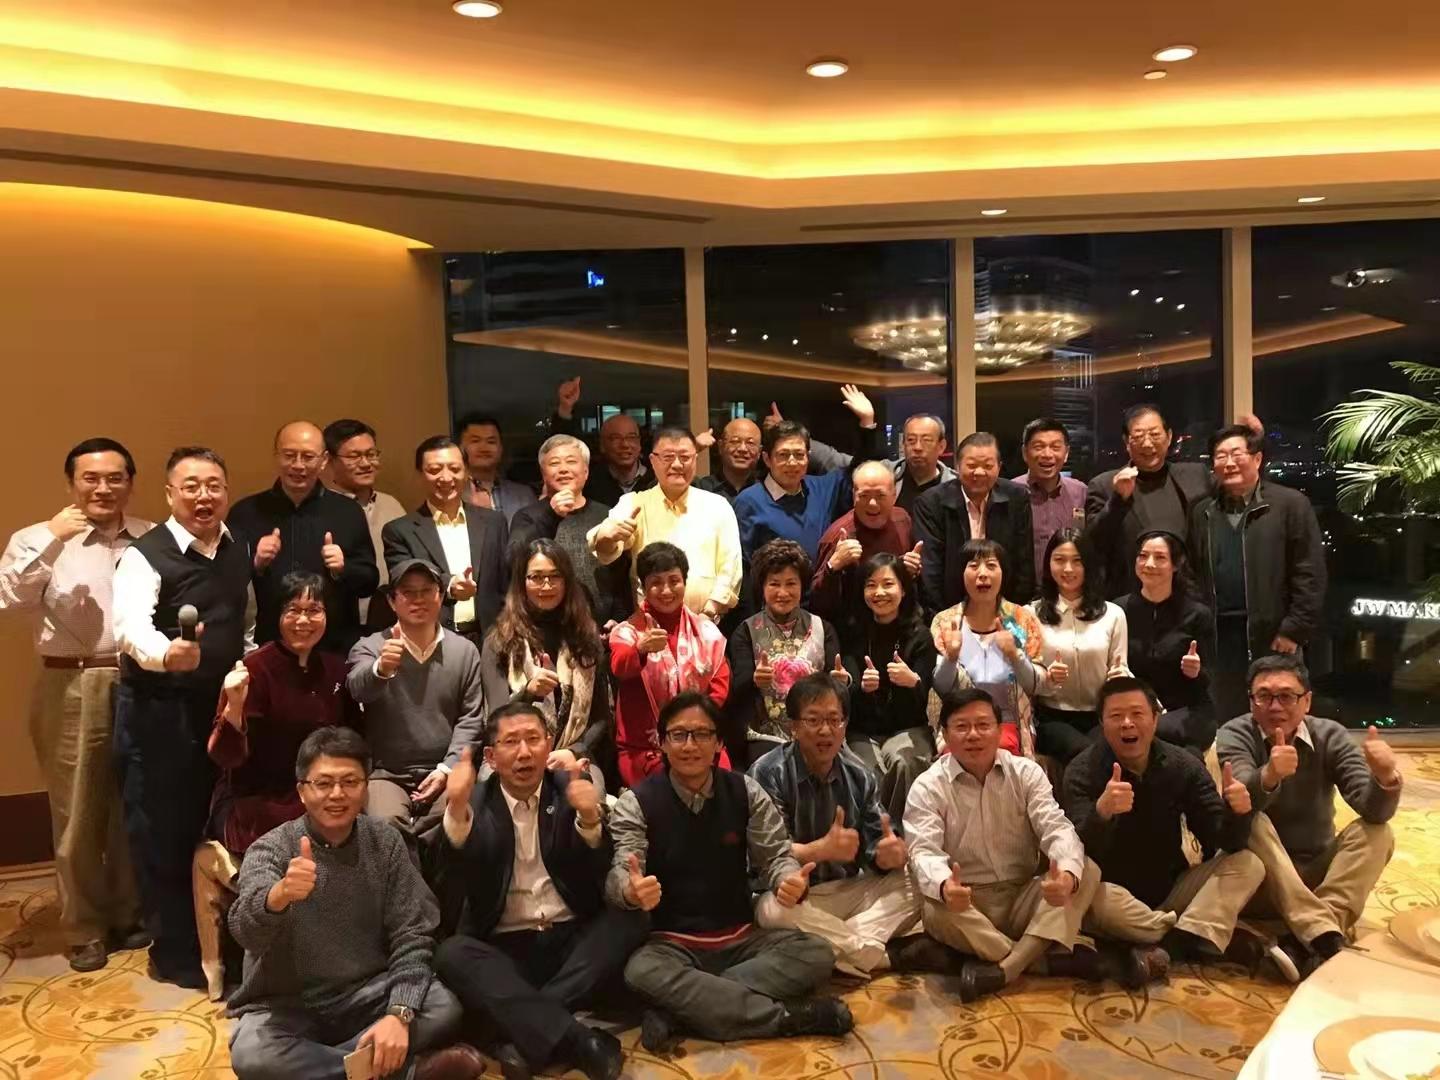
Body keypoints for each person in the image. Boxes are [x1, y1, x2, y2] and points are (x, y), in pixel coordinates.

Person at [227, 727, 477, 1080]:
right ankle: (405, 1072)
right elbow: (244, 930)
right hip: (288, 1005)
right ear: (302, 791)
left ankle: (333, 1070)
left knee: (443, 1006)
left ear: (366, 787)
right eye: (323, 783)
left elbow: (413, 933)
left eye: (350, 782)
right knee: (252, 1053)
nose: (337, 794)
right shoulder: (271, 848)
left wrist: (398, 1013)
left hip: (365, 993)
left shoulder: (385, 842)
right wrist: (278, 897)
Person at [608, 693, 852, 1050]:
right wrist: (630, 891)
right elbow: (621, 870)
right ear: (662, 743)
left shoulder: (744, 790)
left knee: (816, 953)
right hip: (671, 945)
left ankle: (682, 1008)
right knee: (640, 971)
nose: (690, 745)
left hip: (741, 938)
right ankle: (785, 1018)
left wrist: (786, 879)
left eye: (702, 734)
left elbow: (775, 855)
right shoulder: (637, 802)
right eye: (678, 735)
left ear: (719, 742)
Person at [0, 437, 151, 972]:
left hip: (141, 681)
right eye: (91, 477)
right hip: (72, 681)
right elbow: (9, 599)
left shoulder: (151, 537)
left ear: (130, 482)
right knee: (77, 811)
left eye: (115, 477)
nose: (103, 487)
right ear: (71, 483)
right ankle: (84, 926)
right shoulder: (37, 538)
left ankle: (130, 912)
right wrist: (53, 540)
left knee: (133, 804)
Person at [432, 704, 645, 1080]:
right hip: (506, 946)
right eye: (511, 742)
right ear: (490, 757)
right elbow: (450, 871)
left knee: (632, 919)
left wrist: (590, 819)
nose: (524, 752)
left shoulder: (570, 789)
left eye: (533, 739)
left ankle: (523, 1027)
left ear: (549, 745)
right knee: (451, 953)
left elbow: (599, 873)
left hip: (570, 940)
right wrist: (458, 810)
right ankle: (580, 1040)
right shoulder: (473, 801)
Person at [113, 445, 252, 988]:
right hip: (158, 712)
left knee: (214, 821)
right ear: (170, 494)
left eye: (213, 485)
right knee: (163, 831)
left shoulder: (235, 547)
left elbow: (244, 622)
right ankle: (172, 952)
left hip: (218, 708)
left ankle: (220, 943)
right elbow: (130, 627)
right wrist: (166, 654)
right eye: (191, 486)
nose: (203, 496)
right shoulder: (145, 554)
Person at [197, 570, 361, 998]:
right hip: (257, 797)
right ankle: (279, 975)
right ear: (277, 614)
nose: (304, 620)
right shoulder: (253, 669)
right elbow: (226, 757)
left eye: (314, 609)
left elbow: (352, 740)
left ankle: (342, 965)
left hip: (316, 794)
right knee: (303, 845)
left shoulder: (336, 669)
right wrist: (233, 706)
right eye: (293, 610)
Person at [1064, 677, 1270, 987]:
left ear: (1155, 718)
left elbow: (1221, 841)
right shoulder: (1082, 771)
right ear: (1102, 724)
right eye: (1116, 716)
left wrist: (1237, 813)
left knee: (1249, 864)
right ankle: (1196, 935)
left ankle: (1159, 944)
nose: (1127, 723)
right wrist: (1102, 813)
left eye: (1137, 713)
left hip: (1173, 891)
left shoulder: (1183, 765)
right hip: (1114, 896)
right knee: (1092, 901)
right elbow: (1076, 853)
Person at [904, 689, 1100, 1002]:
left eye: (983, 725)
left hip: (1023, 894)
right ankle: (1041, 958)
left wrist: (1065, 875)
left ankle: (1006, 967)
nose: (973, 735)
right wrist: (945, 886)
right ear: (945, 735)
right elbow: (923, 851)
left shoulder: (1026, 773)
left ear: (999, 730)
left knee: (1084, 869)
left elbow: (1056, 827)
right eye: (962, 726)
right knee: (934, 908)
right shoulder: (928, 786)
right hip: (968, 901)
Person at [1216, 655, 1401, 981]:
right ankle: (1320, 933)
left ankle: (1312, 935)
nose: (1275, 706)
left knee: (1377, 832)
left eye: (1286, 696)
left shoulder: (1330, 735)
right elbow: (1239, 797)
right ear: (1251, 700)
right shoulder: (1235, 733)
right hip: (1258, 882)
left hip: (1316, 876)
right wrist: (1270, 775)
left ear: (1307, 701)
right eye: (1264, 696)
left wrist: (1385, 778)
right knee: (1253, 819)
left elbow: (1372, 810)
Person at [750, 674, 920, 977]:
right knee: (771, 911)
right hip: (792, 895)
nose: (826, 730)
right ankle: (878, 956)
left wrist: (888, 855)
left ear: (845, 725)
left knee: (917, 883)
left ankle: (830, 949)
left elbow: (876, 845)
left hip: (844, 891)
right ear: (793, 727)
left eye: (834, 720)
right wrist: (821, 850)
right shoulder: (768, 772)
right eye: (813, 720)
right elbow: (764, 854)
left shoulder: (860, 774)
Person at [1189, 423, 1328, 720]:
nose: (1228, 463)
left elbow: (1310, 572)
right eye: (1220, 456)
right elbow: (1191, 572)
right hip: (1219, 636)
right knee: (1226, 717)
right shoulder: (1202, 511)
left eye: (1236, 454)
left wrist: (1293, 629)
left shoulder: (1290, 505)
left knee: (1278, 715)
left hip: (1273, 635)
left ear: (1257, 458)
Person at [346, 560, 486, 839]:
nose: (418, 600)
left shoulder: (465, 651)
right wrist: (382, 669)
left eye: (427, 591)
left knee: (454, 821)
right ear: (391, 601)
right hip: (386, 773)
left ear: (440, 596)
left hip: (445, 768)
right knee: (385, 826)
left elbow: (471, 718)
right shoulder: (371, 646)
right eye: (408, 592)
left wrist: (446, 769)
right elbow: (357, 689)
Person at [228, 421, 378, 654]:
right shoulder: (245, 512)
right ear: (276, 456)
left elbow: (369, 582)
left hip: (334, 649)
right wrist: (255, 564)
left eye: (308, 457)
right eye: (289, 455)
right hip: (266, 646)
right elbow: (224, 585)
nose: (298, 465)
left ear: (324, 460)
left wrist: (343, 568)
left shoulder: (348, 511)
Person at [480, 541, 611, 777]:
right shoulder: (499, 640)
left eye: (555, 576)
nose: (547, 585)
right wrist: (529, 692)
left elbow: (601, 718)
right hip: (514, 755)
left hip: (572, 754)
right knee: (489, 782)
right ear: (522, 583)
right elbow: (495, 719)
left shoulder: (586, 637)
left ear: (567, 581)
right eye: (536, 577)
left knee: (588, 790)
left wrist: (574, 752)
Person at [609, 542, 732, 786]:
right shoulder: (628, 632)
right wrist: (640, 649)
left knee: (726, 791)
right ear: (643, 587)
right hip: (646, 750)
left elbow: (719, 688)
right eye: (656, 582)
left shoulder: (707, 632)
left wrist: (690, 728)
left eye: (674, 581)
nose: (666, 590)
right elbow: (619, 667)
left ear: (685, 582)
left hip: (700, 741)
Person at [588, 426, 742, 621]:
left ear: (695, 459)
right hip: (651, 625)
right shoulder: (635, 503)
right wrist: (606, 537)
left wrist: (710, 611)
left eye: (685, 457)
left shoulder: (717, 505)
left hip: (707, 622)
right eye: (668, 457)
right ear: (653, 461)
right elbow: (606, 549)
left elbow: (731, 566)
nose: (677, 464)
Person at [727, 540, 845, 765]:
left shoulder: (823, 628)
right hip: (765, 737)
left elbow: (838, 685)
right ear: (762, 587)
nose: (783, 592)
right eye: (774, 584)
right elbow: (737, 692)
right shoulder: (746, 631)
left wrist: (842, 682)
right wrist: (754, 680)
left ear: (802, 586)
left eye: (791, 583)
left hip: (819, 734)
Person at [838, 552, 936, 822]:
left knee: (903, 762)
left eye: (888, 584)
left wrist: (913, 681)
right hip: (862, 731)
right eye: (871, 585)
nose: (879, 592)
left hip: (908, 728)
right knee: (867, 770)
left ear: (903, 590)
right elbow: (847, 694)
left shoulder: (920, 636)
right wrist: (858, 687)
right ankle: (874, 838)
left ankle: (895, 835)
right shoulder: (853, 633)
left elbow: (925, 698)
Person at [384, 436, 509, 644]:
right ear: (420, 475)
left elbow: (506, 583)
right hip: (433, 639)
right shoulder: (399, 531)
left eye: (454, 469)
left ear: (466, 472)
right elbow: (404, 580)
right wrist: (449, 584)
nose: (445, 477)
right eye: (434, 470)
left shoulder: (494, 522)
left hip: (492, 639)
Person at [929, 539, 1044, 756]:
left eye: (991, 565)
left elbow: (1034, 687)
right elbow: (940, 689)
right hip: (960, 721)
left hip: (1010, 721)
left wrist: (1015, 655)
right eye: (973, 566)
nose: (982, 574)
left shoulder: (1021, 619)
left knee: (1002, 750)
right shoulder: (946, 621)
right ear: (961, 574)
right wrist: (951, 657)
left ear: (1003, 573)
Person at [1085, 404, 1211, 598]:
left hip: (1187, 599)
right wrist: (1118, 500)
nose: (1147, 443)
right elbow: (1092, 545)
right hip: (1129, 600)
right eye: (1138, 436)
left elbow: (1235, 490)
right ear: (1126, 442)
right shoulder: (1104, 485)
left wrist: (1253, 442)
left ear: (1169, 437)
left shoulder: (1195, 476)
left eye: (1154, 434)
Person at [1028, 528, 1129, 764]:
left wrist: (1119, 676)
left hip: (1100, 715)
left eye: (1077, 561)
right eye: (1059, 560)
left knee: (1106, 748)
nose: (1068, 569)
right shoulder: (1031, 614)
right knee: (1087, 752)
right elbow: (1025, 674)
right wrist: (1045, 676)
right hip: (1051, 716)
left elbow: (1120, 666)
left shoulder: (1113, 615)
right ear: (1048, 564)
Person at [507, 433, 630, 625]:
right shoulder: (527, 516)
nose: (563, 469)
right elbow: (514, 560)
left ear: (586, 472)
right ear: (543, 473)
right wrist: (552, 514)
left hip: (601, 627)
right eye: (554, 463)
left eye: (571, 461)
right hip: (543, 626)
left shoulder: (606, 514)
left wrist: (619, 618)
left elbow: (621, 575)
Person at [913, 431, 1036, 615]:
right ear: (957, 466)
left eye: (988, 466)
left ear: (999, 467)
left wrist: (1011, 614)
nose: (979, 472)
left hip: (1005, 611)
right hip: (948, 610)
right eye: (971, 465)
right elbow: (931, 571)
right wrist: (946, 618)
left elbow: (1024, 564)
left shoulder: (1016, 498)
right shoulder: (931, 503)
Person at [1116, 530, 1217, 754]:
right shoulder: (1118, 611)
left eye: (1160, 557)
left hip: (1187, 710)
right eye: (1143, 556)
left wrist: (1196, 672)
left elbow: (1208, 678)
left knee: (1155, 736)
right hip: (1136, 711)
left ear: (1176, 564)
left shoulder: (1197, 614)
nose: (1149, 564)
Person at [811, 460, 921, 622]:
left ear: (894, 495)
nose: (872, 504)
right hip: (854, 628)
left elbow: (909, 584)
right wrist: (833, 567)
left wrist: (911, 570)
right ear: (853, 496)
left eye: (880, 496)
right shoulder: (837, 536)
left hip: (899, 621)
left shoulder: (902, 519)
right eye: (864, 496)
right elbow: (818, 605)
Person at [322, 418, 407, 628]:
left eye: (371, 454)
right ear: (329, 460)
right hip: (338, 623)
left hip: (392, 622)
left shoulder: (392, 505)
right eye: (354, 456)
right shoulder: (320, 509)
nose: (366, 463)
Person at [734, 420, 854, 564]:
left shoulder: (821, 488)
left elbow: (859, 472)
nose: (792, 462)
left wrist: (867, 424)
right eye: (783, 455)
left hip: (825, 577)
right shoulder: (748, 501)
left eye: (799, 454)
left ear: (808, 457)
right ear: (767, 459)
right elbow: (743, 564)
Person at [549, 378, 656, 506]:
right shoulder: (590, 482)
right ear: (602, 446)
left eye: (631, 437)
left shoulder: (657, 480)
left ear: (639, 444)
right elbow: (564, 446)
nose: (625, 444)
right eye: (615, 438)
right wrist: (565, 409)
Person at [1013, 418, 1087, 586]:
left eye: (1055, 447)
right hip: (1022, 592)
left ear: (1066, 453)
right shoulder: (1011, 492)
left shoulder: (1081, 492)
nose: (1047, 454)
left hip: (1068, 589)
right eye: (1038, 447)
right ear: (1025, 452)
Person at [455, 413, 537, 524]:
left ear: (500, 448)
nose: (484, 448)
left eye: (491, 442)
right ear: (460, 448)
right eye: (475, 441)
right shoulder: (452, 494)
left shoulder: (524, 495)